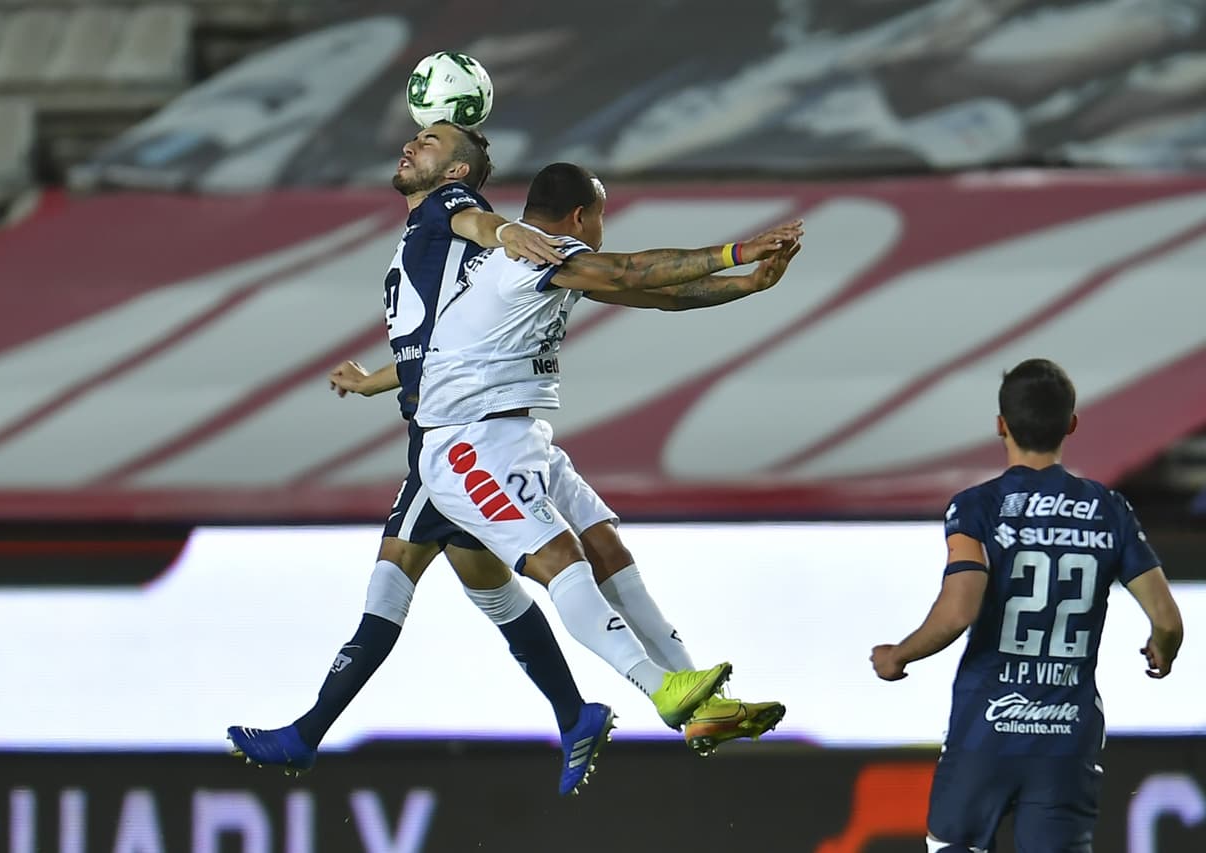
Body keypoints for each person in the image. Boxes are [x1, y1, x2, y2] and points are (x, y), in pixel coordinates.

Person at [229, 122, 611, 797]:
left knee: (391, 579)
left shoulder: (445, 210)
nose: (411, 146)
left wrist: (505, 232)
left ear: (457, 171)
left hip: (448, 445)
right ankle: (574, 713)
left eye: (429, 141)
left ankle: (306, 735)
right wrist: (370, 380)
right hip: (442, 427)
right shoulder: (423, 240)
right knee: (489, 588)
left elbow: (478, 223)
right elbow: (428, 350)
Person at [414, 162, 800, 748]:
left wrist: (748, 284)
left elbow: (655, 294)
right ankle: (657, 686)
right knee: (564, 560)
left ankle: (705, 705)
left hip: (519, 435)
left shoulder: (550, 259)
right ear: (580, 216)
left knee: (605, 546)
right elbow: (630, 268)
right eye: (601, 213)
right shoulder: (531, 256)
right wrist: (737, 251)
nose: (603, 225)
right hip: (465, 442)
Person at [870, 358, 1184, 852]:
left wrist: (898, 655)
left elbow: (959, 610)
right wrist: (1163, 647)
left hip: (985, 730)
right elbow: (1167, 619)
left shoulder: (977, 507)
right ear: (1072, 425)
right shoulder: (1109, 510)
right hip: (1065, 738)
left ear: (1001, 425)